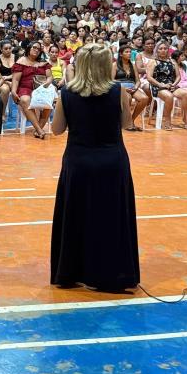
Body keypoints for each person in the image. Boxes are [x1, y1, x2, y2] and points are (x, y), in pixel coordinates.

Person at [50, 43, 139, 293]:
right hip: (112, 162)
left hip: (79, 163)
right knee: (111, 219)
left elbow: (56, 130)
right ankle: (111, 273)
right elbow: (126, 123)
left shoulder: (67, 93)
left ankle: (72, 271)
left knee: (76, 217)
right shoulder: (117, 90)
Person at [11, 42, 54, 139]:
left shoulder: (44, 63)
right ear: (29, 48)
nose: (36, 50)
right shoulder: (21, 61)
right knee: (25, 100)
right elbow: (16, 79)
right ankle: (39, 130)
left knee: (48, 103)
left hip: (41, 88)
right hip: (25, 87)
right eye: (34, 47)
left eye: (38, 49)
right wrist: (13, 91)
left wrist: (46, 83)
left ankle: (38, 129)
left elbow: (50, 77)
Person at [147, 41, 187, 130]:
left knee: (186, 94)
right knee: (169, 96)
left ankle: (186, 121)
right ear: (157, 51)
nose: (163, 50)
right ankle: (167, 121)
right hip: (158, 86)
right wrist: (161, 85)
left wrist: (174, 84)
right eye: (160, 49)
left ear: (168, 50)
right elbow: (149, 77)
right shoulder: (153, 62)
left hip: (171, 85)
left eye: (165, 48)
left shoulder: (173, 61)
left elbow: (178, 76)